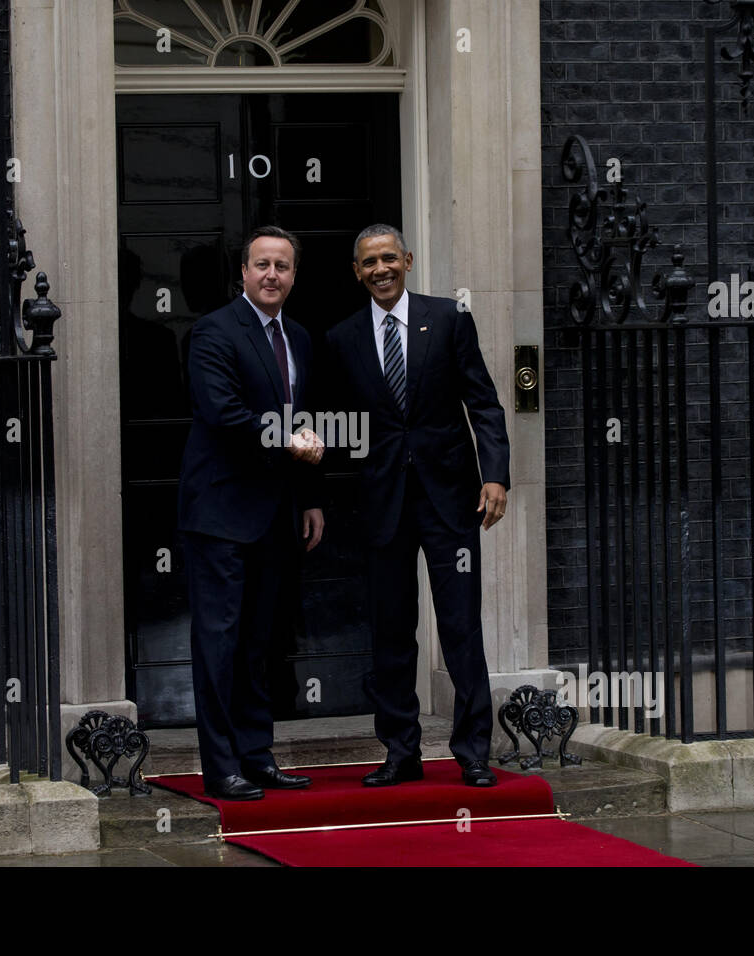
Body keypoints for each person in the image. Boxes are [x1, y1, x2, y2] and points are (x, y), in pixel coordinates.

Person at [326, 224, 510, 788]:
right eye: (367, 263)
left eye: (388, 258)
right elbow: (337, 425)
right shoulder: (343, 338)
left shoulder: (448, 319)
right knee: (391, 630)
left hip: (450, 500)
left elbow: (483, 402)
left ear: (407, 260)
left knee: (460, 626)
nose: (379, 269)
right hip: (381, 505)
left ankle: (473, 751)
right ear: (356, 272)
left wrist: (496, 477)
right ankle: (401, 751)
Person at [178, 225, 326, 801]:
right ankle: (221, 766)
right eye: (261, 264)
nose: (271, 275)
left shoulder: (301, 339)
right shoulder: (213, 331)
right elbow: (222, 412)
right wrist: (289, 440)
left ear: (293, 276)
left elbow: (310, 419)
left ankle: (257, 755)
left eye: (282, 266)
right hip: (219, 513)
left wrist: (312, 496)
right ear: (243, 273)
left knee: (260, 642)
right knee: (218, 643)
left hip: (276, 514)